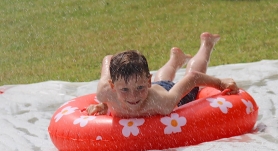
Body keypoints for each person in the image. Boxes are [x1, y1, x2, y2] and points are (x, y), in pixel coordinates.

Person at [87, 32, 239, 117]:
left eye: (139, 87)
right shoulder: (105, 92)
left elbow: (193, 77)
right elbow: (108, 59)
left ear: (148, 82)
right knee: (161, 81)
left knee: (193, 86)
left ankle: (207, 44)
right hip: (155, 87)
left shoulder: (162, 103)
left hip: (169, 93)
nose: (133, 96)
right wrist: (105, 104)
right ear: (112, 86)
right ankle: (176, 59)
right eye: (124, 90)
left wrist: (220, 83)